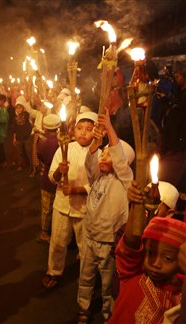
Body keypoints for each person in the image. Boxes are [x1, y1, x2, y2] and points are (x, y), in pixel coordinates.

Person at [77, 111, 134, 322]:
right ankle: (82, 311)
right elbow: (89, 165)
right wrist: (96, 143)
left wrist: (109, 127)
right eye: (103, 153)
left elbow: (119, 160)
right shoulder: (98, 176)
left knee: (109, 286)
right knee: (85, 278)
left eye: (109, 154)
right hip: (90, 236)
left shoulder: (125, 181)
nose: (103, 156)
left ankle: (110, 317)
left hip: (109, 242)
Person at [42, 111, 97, 289]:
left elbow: (98, 184)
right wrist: (60, 171)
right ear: (73, 131)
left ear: (96, 132)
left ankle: (86, 277)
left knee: (85, 246)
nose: (83, 132)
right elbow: (52, 177)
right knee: (58, 241)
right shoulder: (64, 149)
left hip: (84, 208)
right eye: (80, 128)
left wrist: (76, 190)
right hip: (62, 205)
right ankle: (54, 271)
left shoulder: (98, 153)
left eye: (89, 129)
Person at [108, 216, 186, 323]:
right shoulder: (133, 274)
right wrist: (137, 204)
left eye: (167, 259)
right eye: (150, 253)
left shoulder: (180, 292)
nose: (156, 264)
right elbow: (131, 243)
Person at [36, 114, 60, 243]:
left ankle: (44, 232)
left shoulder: (41, 140)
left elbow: (39, 156)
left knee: (46, 208)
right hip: (58, 176)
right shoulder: (60, 142)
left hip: (46, 176)